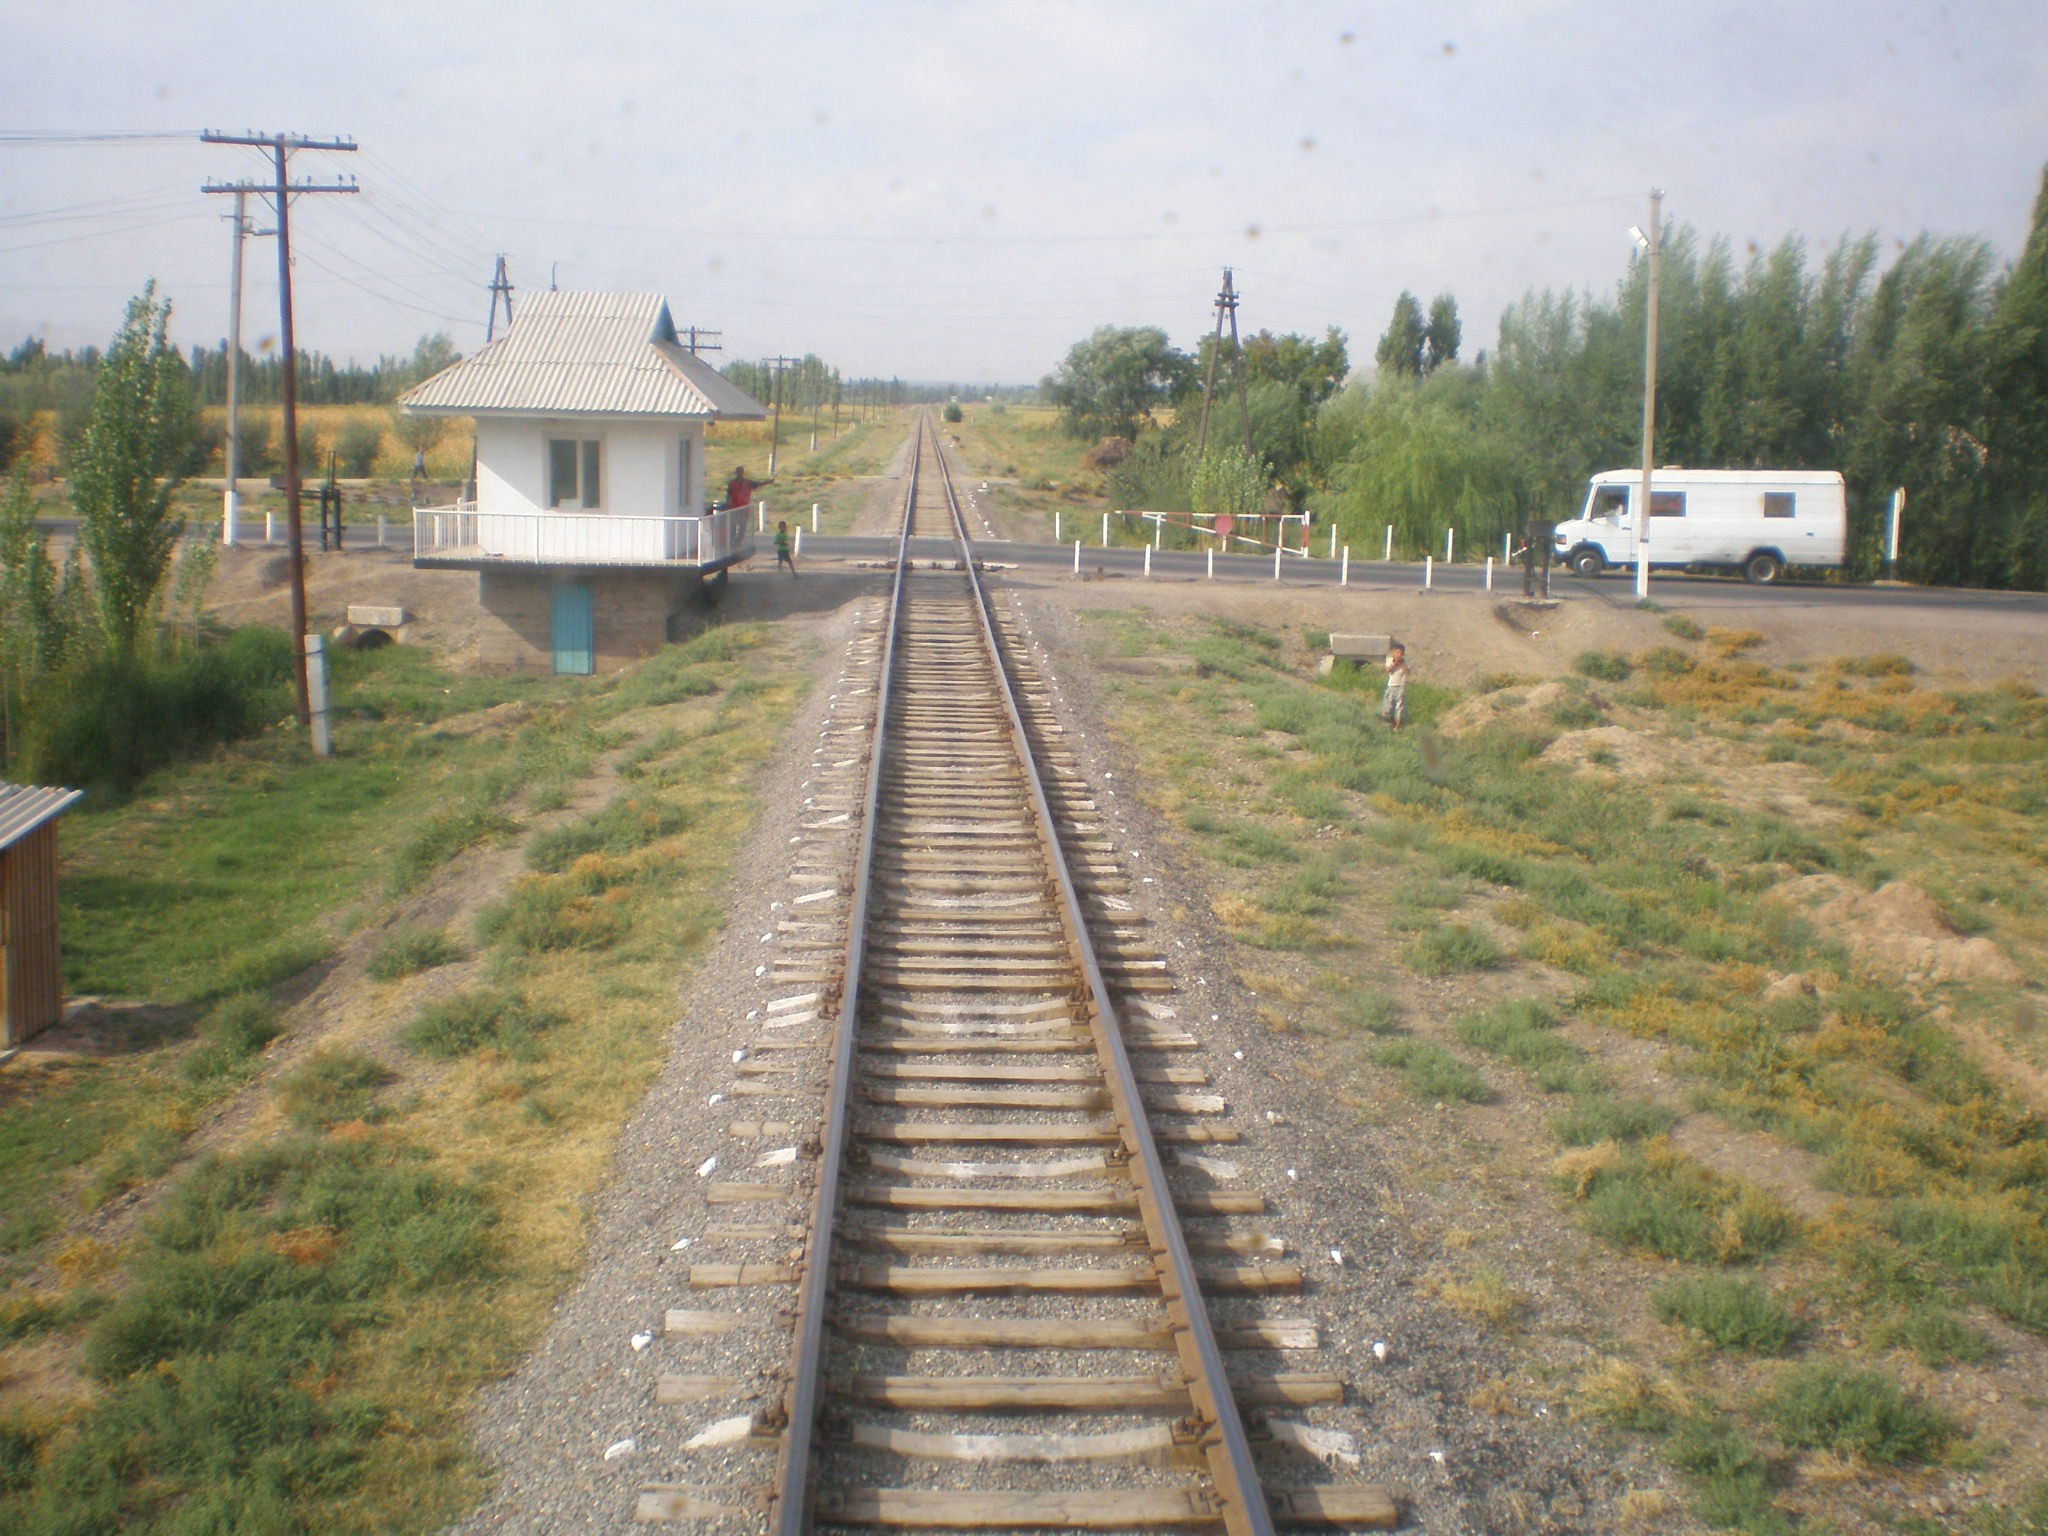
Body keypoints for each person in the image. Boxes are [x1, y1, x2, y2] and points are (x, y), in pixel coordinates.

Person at [1380, 643, 1408, 731]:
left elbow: (1406, 672)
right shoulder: (1389, 660)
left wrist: (1402, 664)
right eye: (1398, 652)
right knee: (1387, 709)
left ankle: (1398, 727)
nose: (1399, 654)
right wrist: (1395, 663)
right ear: (1394, 652)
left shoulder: (1405, 662)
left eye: (1401, 653)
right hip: (1391, 686)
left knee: (1400, 709)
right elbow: (1388, 670)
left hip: (1401, 687)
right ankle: (1392, 723)